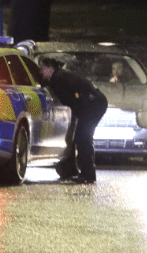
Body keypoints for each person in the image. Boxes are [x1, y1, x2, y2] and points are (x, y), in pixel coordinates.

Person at [38, 56, 108, 184]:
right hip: (94, 103)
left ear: (50, 68)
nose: (40, 72)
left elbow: (73, 100)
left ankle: (88, 175)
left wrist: (80, 116)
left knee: (83, 138)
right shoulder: (58, 76)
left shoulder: (58, 79)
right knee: (82, 138)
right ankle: (83, 172)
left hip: (93, 105)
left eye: (42, 68)